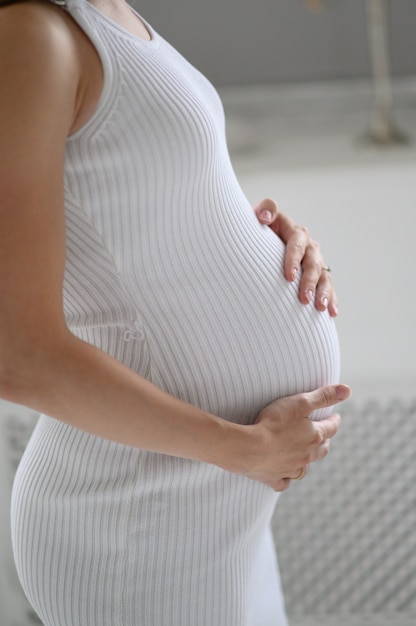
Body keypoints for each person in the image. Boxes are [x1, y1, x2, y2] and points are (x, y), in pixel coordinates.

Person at [0, 0, 350, 624]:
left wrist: (273, 241)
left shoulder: (106, 13)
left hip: (216, 500)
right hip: (136, 523)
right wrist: (244, 450)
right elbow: (18, 357)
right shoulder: (30, 34)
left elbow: (140, 211)